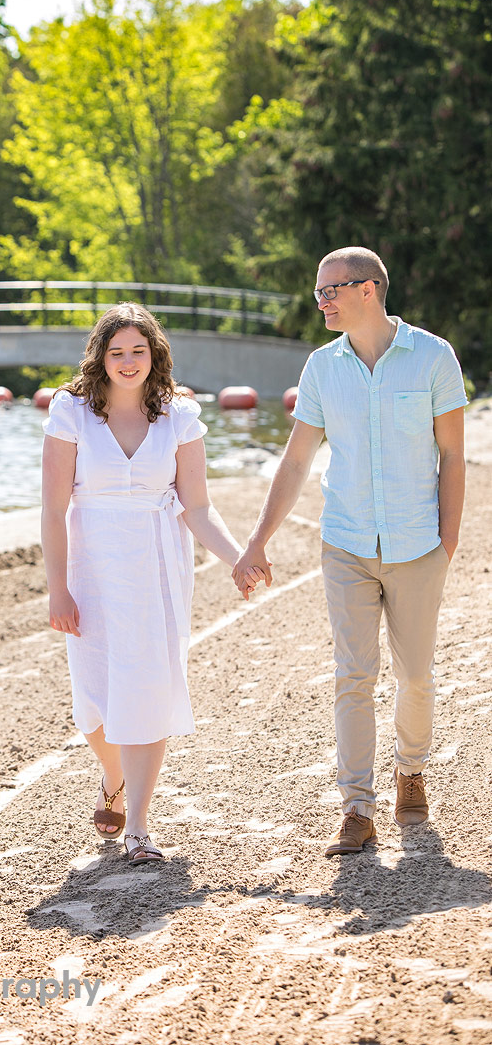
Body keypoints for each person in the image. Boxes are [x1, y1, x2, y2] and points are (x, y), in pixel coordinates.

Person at [233, 247, 467, 856]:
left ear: (370, 289)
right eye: (319, 293)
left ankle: (410, 771)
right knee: (353, 675)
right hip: (346, 544)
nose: (323, 302)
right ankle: (357, 807)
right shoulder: (320, 369)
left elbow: (454, 458)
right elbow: (297, 460)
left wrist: (447, 542)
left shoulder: (433, 357)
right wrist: (257, 540)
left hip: (419, 546)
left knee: (415, 675)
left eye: (331, 290)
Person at [42, 302, 261, 865]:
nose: (128, 361)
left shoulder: (178, 414)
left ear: (154, 354)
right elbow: (51, 509)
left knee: (149, 689)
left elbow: (199, 506)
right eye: (117, 351)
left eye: (139, 350)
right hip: (91, 565)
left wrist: (239, 559)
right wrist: (58, 587)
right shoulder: (71, 412)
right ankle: (112, 774)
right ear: (101, 356)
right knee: (93, 702)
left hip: (158, 563)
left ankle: (138, 825)